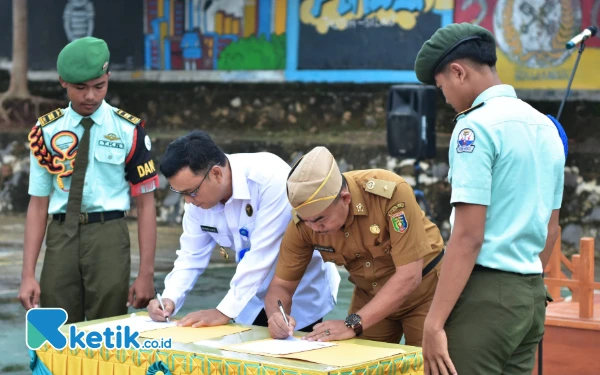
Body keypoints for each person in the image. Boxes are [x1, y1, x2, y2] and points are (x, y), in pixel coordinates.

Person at [414, 23, 565, 375]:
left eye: (442, 88)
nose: (446, 98)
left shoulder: (474, 128)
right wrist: (524, 287)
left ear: (458, 72)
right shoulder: (546, 127)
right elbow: (552, 229)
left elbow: (468, 236)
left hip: (485, 296)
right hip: (530, 296)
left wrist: (433, 324)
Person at [18, 37, 159, 323]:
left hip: (109, 234)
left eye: (99, 86)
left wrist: (146, 274)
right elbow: (38, 204)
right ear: (63, 82)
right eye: (80, 88)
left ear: (108, 78)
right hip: (60, 236)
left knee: (108, 328)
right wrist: (28, 274)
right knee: (55, 328)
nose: (91, 96)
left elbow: (146, 205)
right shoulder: (45, 131)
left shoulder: (129, 130)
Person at [148, 131, 340, 331]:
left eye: (191, 192)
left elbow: (261, 255)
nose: (188, 201)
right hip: (247, 297)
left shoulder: (270, 179)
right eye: (181, 194)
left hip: (300, 292)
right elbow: (190, 256)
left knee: (292, 352)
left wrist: (223, 312)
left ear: (216, 173)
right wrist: (169, 299)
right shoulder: (197, 201)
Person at [265, 146, 445, 344]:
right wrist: (276, 315)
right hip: (370, 295)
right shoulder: (304, 225)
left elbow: (409, 276)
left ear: (345, 198)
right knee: (356, 364)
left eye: (320, 219)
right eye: (306, 220)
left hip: (426, 292)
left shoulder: (388, 194)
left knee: (430, 363)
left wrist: (351, 324)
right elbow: (281, 285)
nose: (314, 227)